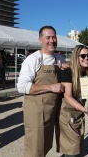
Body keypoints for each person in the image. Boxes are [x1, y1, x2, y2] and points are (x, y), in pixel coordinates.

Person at [17, 25, 67, 157]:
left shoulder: (59, 59)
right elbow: (21, 86)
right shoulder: (33, 59)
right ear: (40, 40)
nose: (52, 40)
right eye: (48, 37)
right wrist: (51, 87)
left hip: (51, 110)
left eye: (54, 37)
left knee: (45, 146)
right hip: (36, 112)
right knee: (34, 149)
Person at [56, 45, 88, 157]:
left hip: (78, 114)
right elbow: (67, 96)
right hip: (67, 114)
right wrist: (84, 109)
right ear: (76, 57)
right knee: (72, 148)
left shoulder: (87, 72)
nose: (86, 58)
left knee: (76, 146)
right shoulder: (68, 72)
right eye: (83, 55)